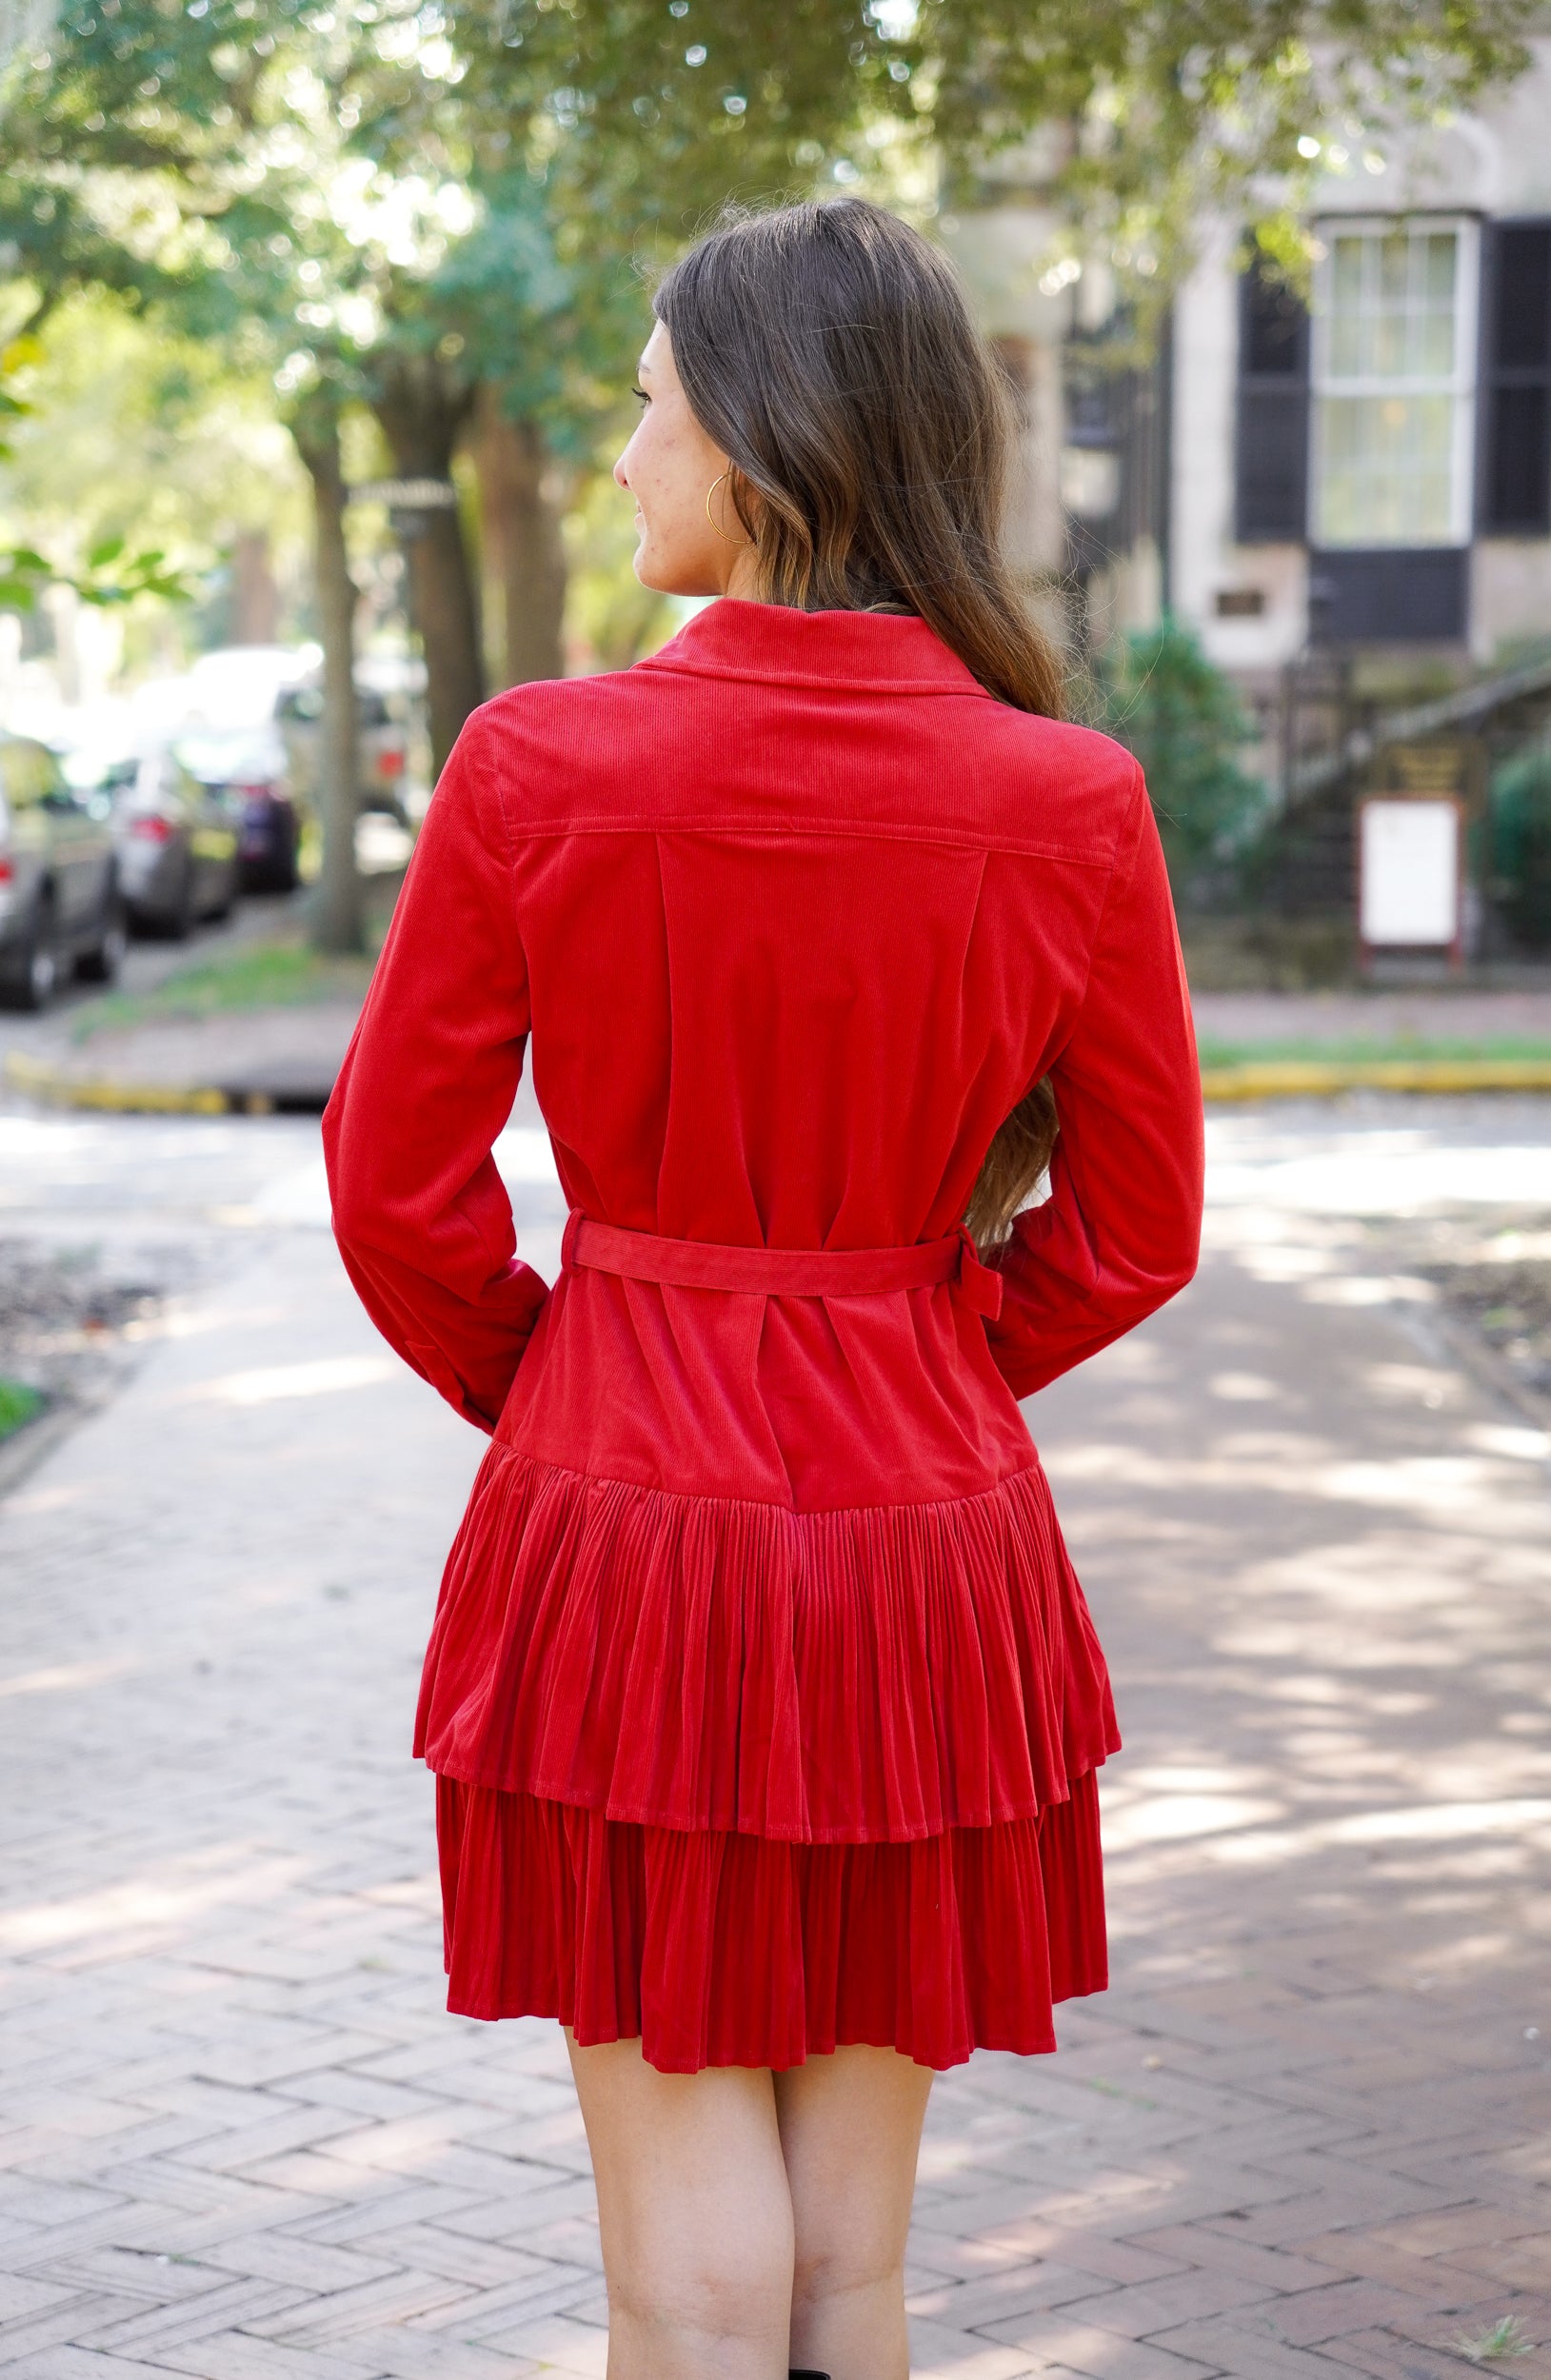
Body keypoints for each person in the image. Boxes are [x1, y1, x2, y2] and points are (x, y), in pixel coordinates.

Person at [323, 195, 1203, 2380]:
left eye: (642, 405)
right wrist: (934, 1352)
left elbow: (393, 1181)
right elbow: (1140, 1217)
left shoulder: (539, 765)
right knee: (848, 2269)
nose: (622, 454)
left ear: (754, 439)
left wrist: (567, 1382)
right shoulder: (1068, 797)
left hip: (623, 1521)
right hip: (925, 1539)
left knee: (683, 2280)